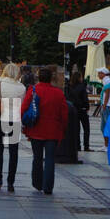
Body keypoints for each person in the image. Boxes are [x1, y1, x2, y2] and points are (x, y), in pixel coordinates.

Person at [22, 66, 69, 196]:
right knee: (49, 159)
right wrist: (63, 128)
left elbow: (24, 108)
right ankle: (48, 187)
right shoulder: (58, 93)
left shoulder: (33, 90)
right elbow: (64, 113)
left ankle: (37, 183)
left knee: (37, 157)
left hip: (36, 129)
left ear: (38, 78)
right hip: (53, 131)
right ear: (51, 79)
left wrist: (25, 125)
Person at [0, 63, 25, 191]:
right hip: (14, 121)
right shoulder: (22, 87)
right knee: (13, 152)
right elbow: (22, 106)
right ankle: (11, 182)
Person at [66, 69, 91, 151]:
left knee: (76, 129)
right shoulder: (82, 87)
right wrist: (87, 107)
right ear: (79, 78)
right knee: (86, 128)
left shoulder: (69, 87)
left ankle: (77, 146)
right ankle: (86, 146)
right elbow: (85, 99)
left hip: (73, 110)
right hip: (82, 109)